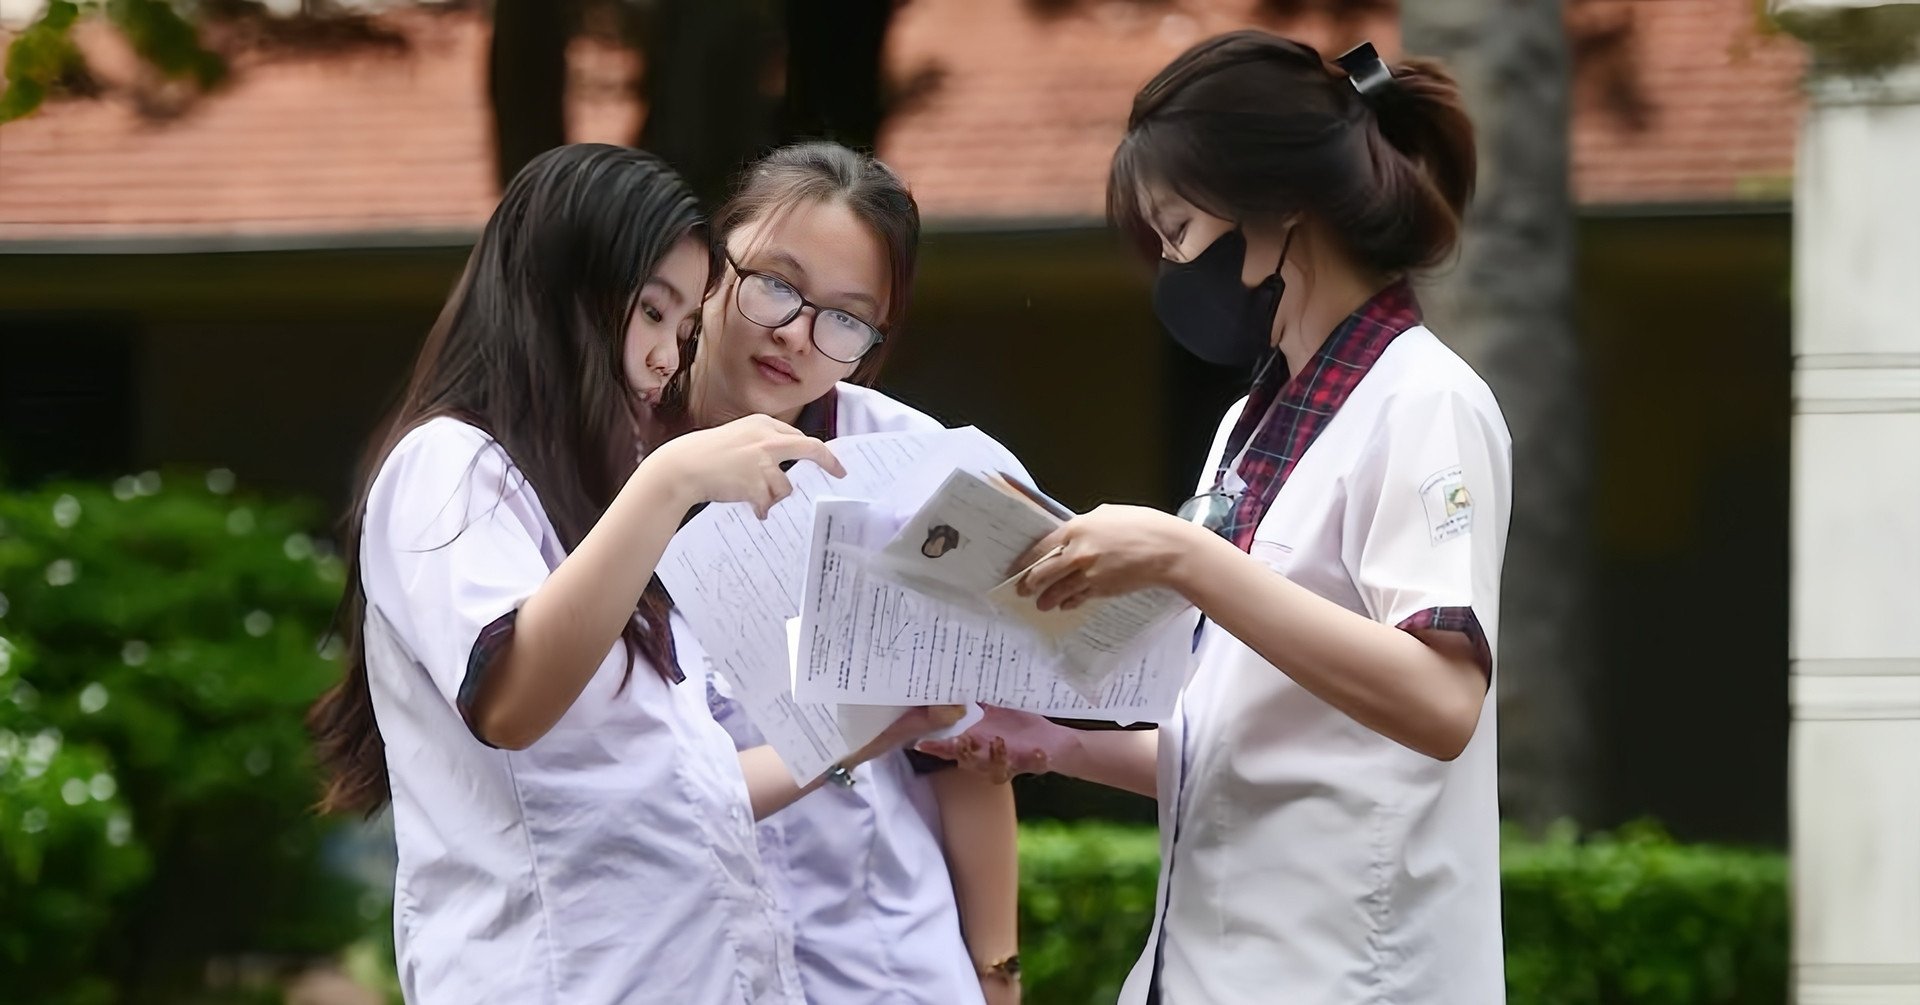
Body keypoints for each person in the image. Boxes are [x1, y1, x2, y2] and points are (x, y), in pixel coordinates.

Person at [920, 33, 1512, 1004]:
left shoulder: (1426, 402)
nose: (1174, 264)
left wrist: (1184, 557)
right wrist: (1056, 745)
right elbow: (1253, 739)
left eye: (1181, 227)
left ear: (1280, 205)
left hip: (1351, 975)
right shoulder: (1251, 420)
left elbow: (1441, 703)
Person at [306, 143, 951, 1005]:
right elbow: (511, 697)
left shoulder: (596, 501)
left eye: (681, 329)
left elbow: (683, 793)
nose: (663, 358)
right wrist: (670, 478)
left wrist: (868, 725)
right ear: (559, 290)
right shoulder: (449, 464)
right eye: (651, 314)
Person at [643, 141, 1022, 1005]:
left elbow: (956, 756)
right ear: (709, 260)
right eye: (775, 282)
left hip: (882, 960)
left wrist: (998, 974)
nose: (796, 334)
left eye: (847, 318)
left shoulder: (908, 463)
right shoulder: (604, 444)